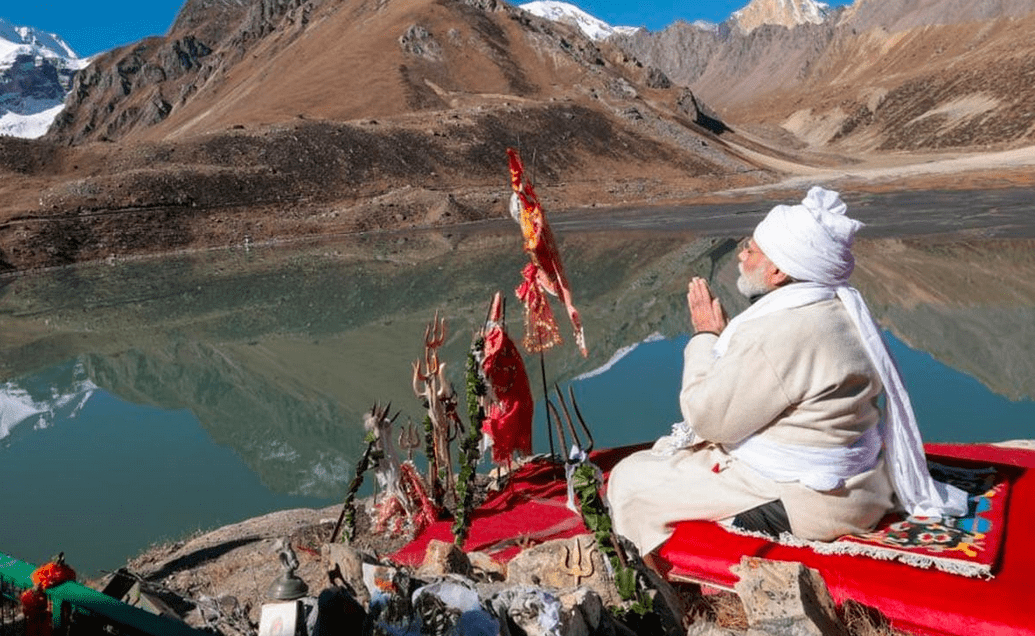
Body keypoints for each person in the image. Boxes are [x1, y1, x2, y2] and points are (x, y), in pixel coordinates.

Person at [606, 186, 968, 559]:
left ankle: (649, 582)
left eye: (751, 249)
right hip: (864, 489)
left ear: (777, 270)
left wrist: (704, 337)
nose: (742, 256)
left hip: (809, 501)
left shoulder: (781, 330)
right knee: (669, 458)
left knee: (631, 479)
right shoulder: (842, 309)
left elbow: (708, 419)